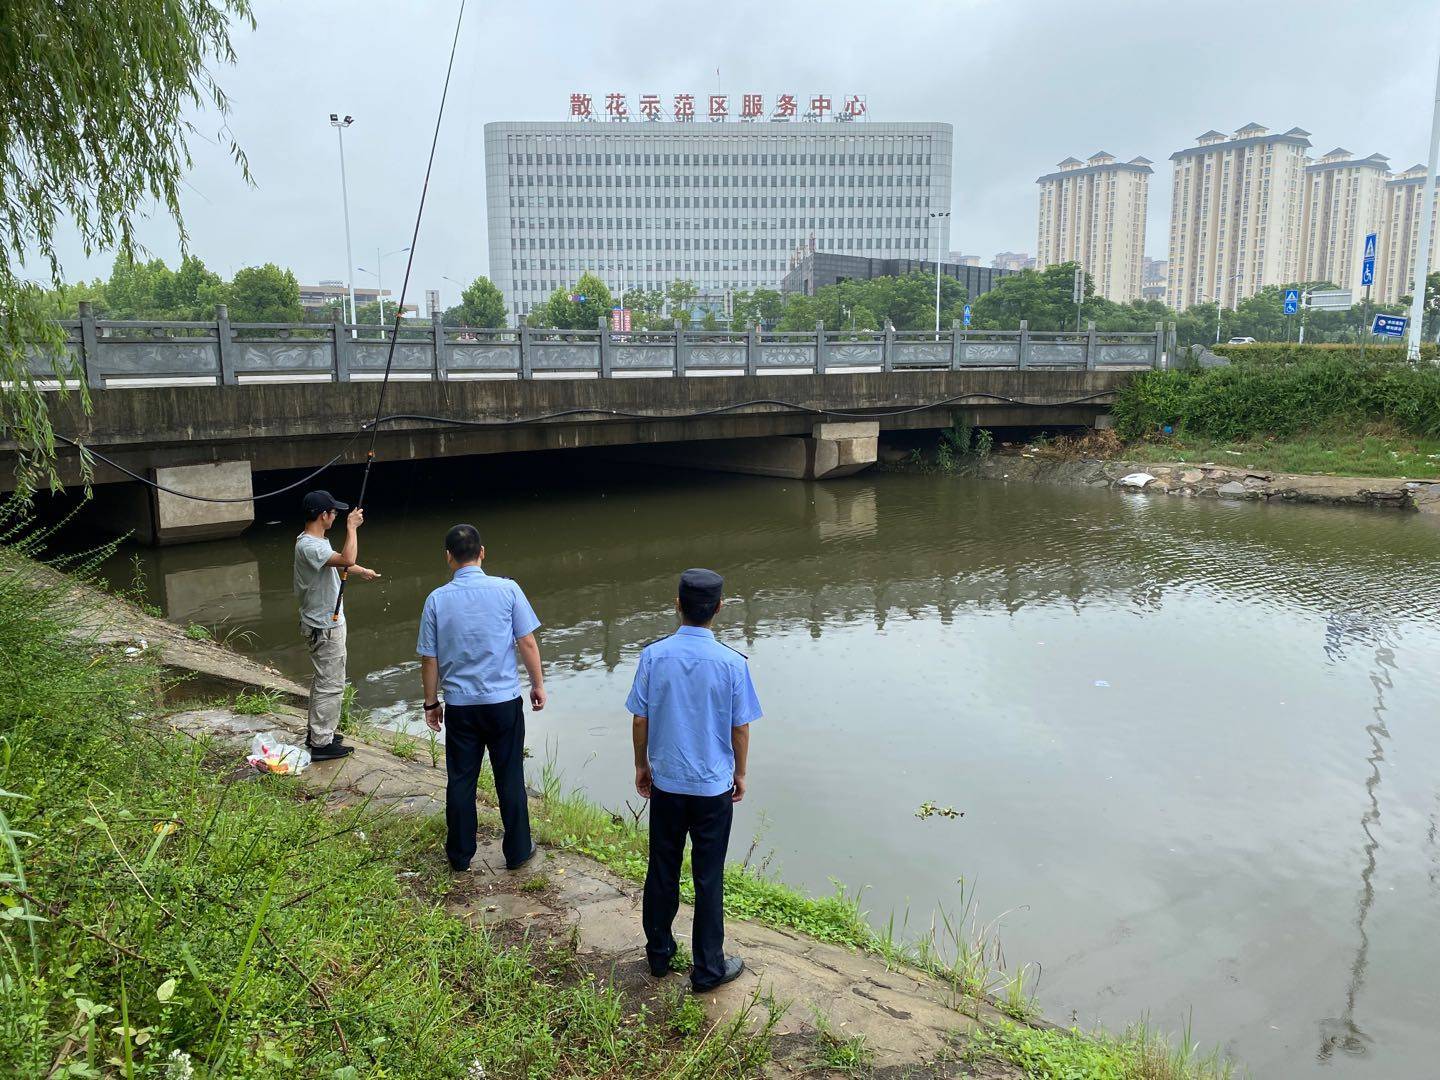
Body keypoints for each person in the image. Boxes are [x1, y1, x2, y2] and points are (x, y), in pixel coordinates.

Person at [627, 568, 761, 992]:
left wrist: (641, 765)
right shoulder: (732, 663)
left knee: (662, 867)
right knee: (708, 875)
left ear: (678, 603)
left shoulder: (653, 657)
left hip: (667, 784)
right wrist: (739, 773)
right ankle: (707, 968)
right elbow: (740, 728)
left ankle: (659, 956)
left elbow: (640, 717)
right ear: (719, 608)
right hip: (711, 789)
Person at [418, 524, 547, 872]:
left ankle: (460, 855)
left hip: (461, 707)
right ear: (482, 553)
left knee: (461, 779)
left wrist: (431, 703)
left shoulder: (436, 599)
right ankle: (518, 850)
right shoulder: (508, 590)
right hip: (503, 703)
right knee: (509, 776)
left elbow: (429, 659)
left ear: (448, 557)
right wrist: (537, 684)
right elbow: (528, 642)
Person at [294, 490, 381, 761]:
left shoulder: (313, 543)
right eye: (334, 512)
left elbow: (336, 562)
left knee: (323, 681)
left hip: (322, 622)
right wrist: (352, 528)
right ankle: (321, 743)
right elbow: (346, 559)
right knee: (331, 684)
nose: (336, 516)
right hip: (324, 625)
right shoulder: (310, 545)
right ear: (324, 515)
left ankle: (319, 733)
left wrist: (362, 571)